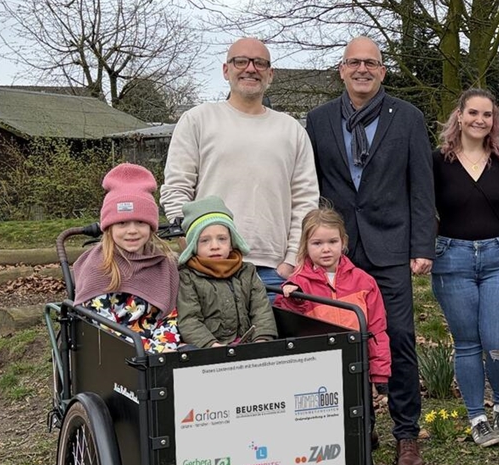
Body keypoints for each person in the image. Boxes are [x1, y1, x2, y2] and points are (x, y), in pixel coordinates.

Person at [306, 36, 434, 465]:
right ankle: (356, 426)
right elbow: (312, 186)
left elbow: (422, 185)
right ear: (341, 70)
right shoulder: (318, 120)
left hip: (391, 246)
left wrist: (422, 246)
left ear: (382, 71)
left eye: (371, 63)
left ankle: (406, 434)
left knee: (396, 338)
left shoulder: (409, 118)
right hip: (336, 252)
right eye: (353, 62)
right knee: (338, 341)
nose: (362, 69)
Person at [161, 37, 319, 299]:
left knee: (270, 340)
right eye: (241, 61)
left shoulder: (291, 130)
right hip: (208, 268)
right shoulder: (198, 120)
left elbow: (305, 200)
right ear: (226, 70)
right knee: (211, 341)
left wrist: (291, 260)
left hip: (273, 270)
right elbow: (177, 188)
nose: (250, 68)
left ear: (270, 74)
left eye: (259, 63)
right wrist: (190, 244)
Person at [431, 88, 499, 448]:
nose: (479, 120)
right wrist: (453, 239)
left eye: (486, 115)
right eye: (473, 112)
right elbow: (427, 208)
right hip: (451, 259)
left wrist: (489, 235)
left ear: (493, 121)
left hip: (498, 258)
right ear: (459, 115)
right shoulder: (437, 161)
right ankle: (477, 416)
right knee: (468, 343)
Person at [274, 207, 391, 389]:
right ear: (305, 245)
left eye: (332, 241)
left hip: (355, 366)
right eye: (317, 243)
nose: (326, 249)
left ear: (343, 242)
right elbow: (288, 332)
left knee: (360, 416)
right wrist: (292, 298)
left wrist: (379, 373)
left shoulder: (364, 281)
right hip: (315, 370)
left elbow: (377, 329)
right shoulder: (297, 284)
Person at [72, 163, 180, 352]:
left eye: (140, 222)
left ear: (151, 226)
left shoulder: (165, 263)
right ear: (109, 227)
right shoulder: (97, 266)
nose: (132, 231)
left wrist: (160, 352)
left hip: (159, 349)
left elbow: (170, 317)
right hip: (115, 354)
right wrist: (140, 354)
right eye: (122, 223)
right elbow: (102, 327)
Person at [176, 196, 278, 348]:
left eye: (222, 239)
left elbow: (261, 309)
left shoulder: (247, 271)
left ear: (232, 243)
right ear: (193, 246)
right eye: (205, 240)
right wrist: (211, 345)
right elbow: (189, 319)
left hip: (247, 344)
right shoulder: (188, 277)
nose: (215, 246)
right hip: (207, 350)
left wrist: (261, 340)